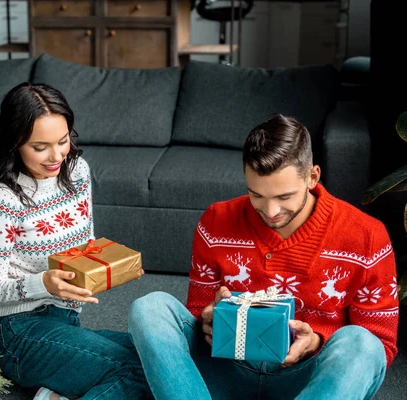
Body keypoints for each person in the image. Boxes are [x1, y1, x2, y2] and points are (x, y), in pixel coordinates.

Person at [128, 114, 399, 400]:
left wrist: (316, 341)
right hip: (223, 371)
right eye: (256, 195)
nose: (270, 212)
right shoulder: (216, 221)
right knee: (150, 308)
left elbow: (380, 346)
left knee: (361, 342)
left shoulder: (367, 236)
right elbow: (197, 310)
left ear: (312, 177)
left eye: (284, 197)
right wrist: (208, 318)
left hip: (308, 379)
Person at [0, 82, 151, 400]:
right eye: (40, 147)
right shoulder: (1, 199)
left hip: (66, 321)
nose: (56, 156)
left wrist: (113, 267)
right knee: (136, 373)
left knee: (160, 355)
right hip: (21, 333)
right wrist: (44, 283)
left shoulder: (77, 171)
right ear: (15, 142)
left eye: (63, 140)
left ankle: (53, 395)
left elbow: (86, 244)